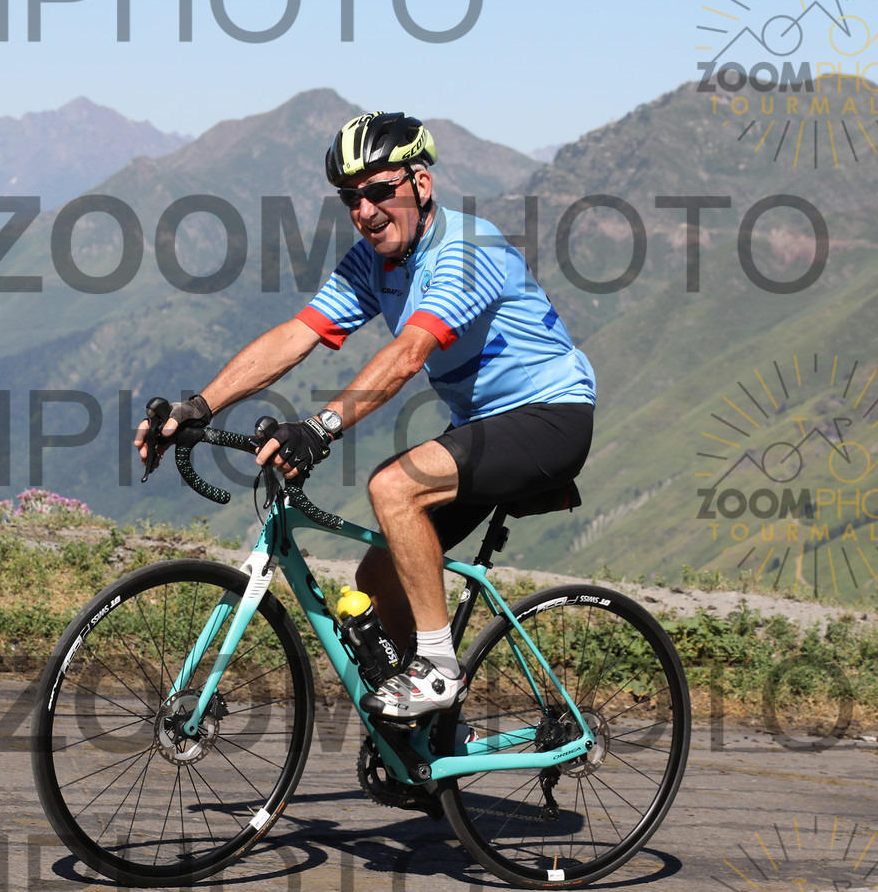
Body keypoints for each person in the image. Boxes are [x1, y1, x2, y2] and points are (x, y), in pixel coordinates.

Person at [136, 111, 596, 718]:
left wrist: (319, 428)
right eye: (351, 198)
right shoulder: (376, 261)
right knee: (378, 578)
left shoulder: (469, 250)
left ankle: (439, 670)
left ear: (421, 184)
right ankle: (427, 742)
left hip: (550, 416)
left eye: (380, 191)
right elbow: (297, 335)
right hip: (482, 426)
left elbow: (409, 355)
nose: (366, 210)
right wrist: (198, 406)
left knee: (394, 487)